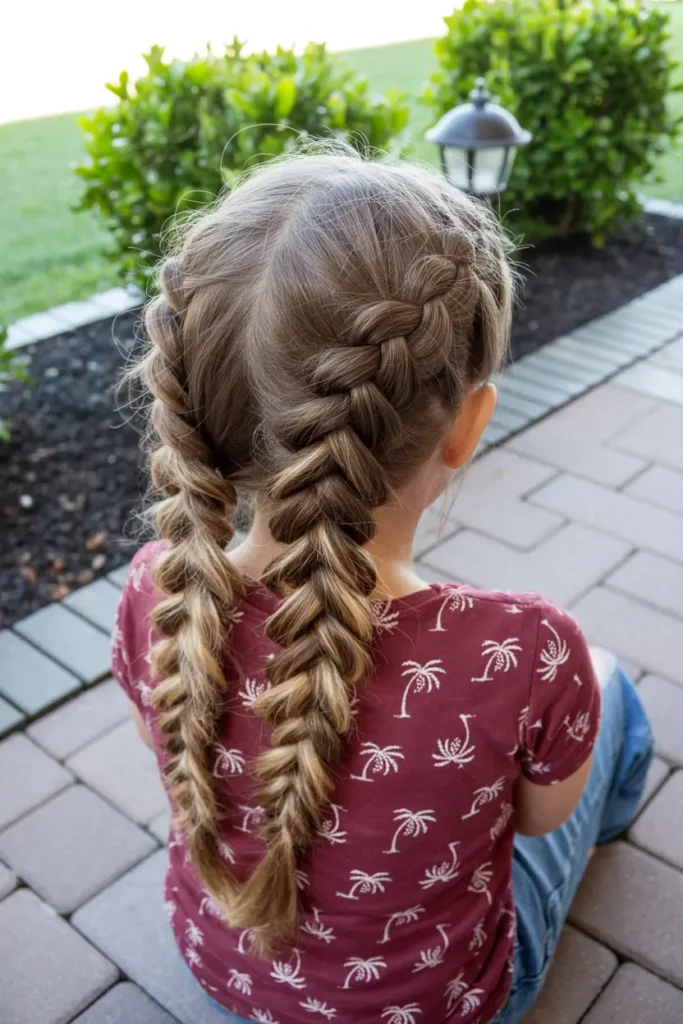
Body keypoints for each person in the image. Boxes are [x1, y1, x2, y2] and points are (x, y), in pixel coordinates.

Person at [112, 150, 653, 1024]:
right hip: (439, 1006)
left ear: (196, 411)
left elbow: (161, 742)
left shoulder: (157, 589)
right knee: (611, 688)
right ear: (467, 424)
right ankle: (624, 822)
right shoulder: (520, 651)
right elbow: (540, 821)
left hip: (223, 971)